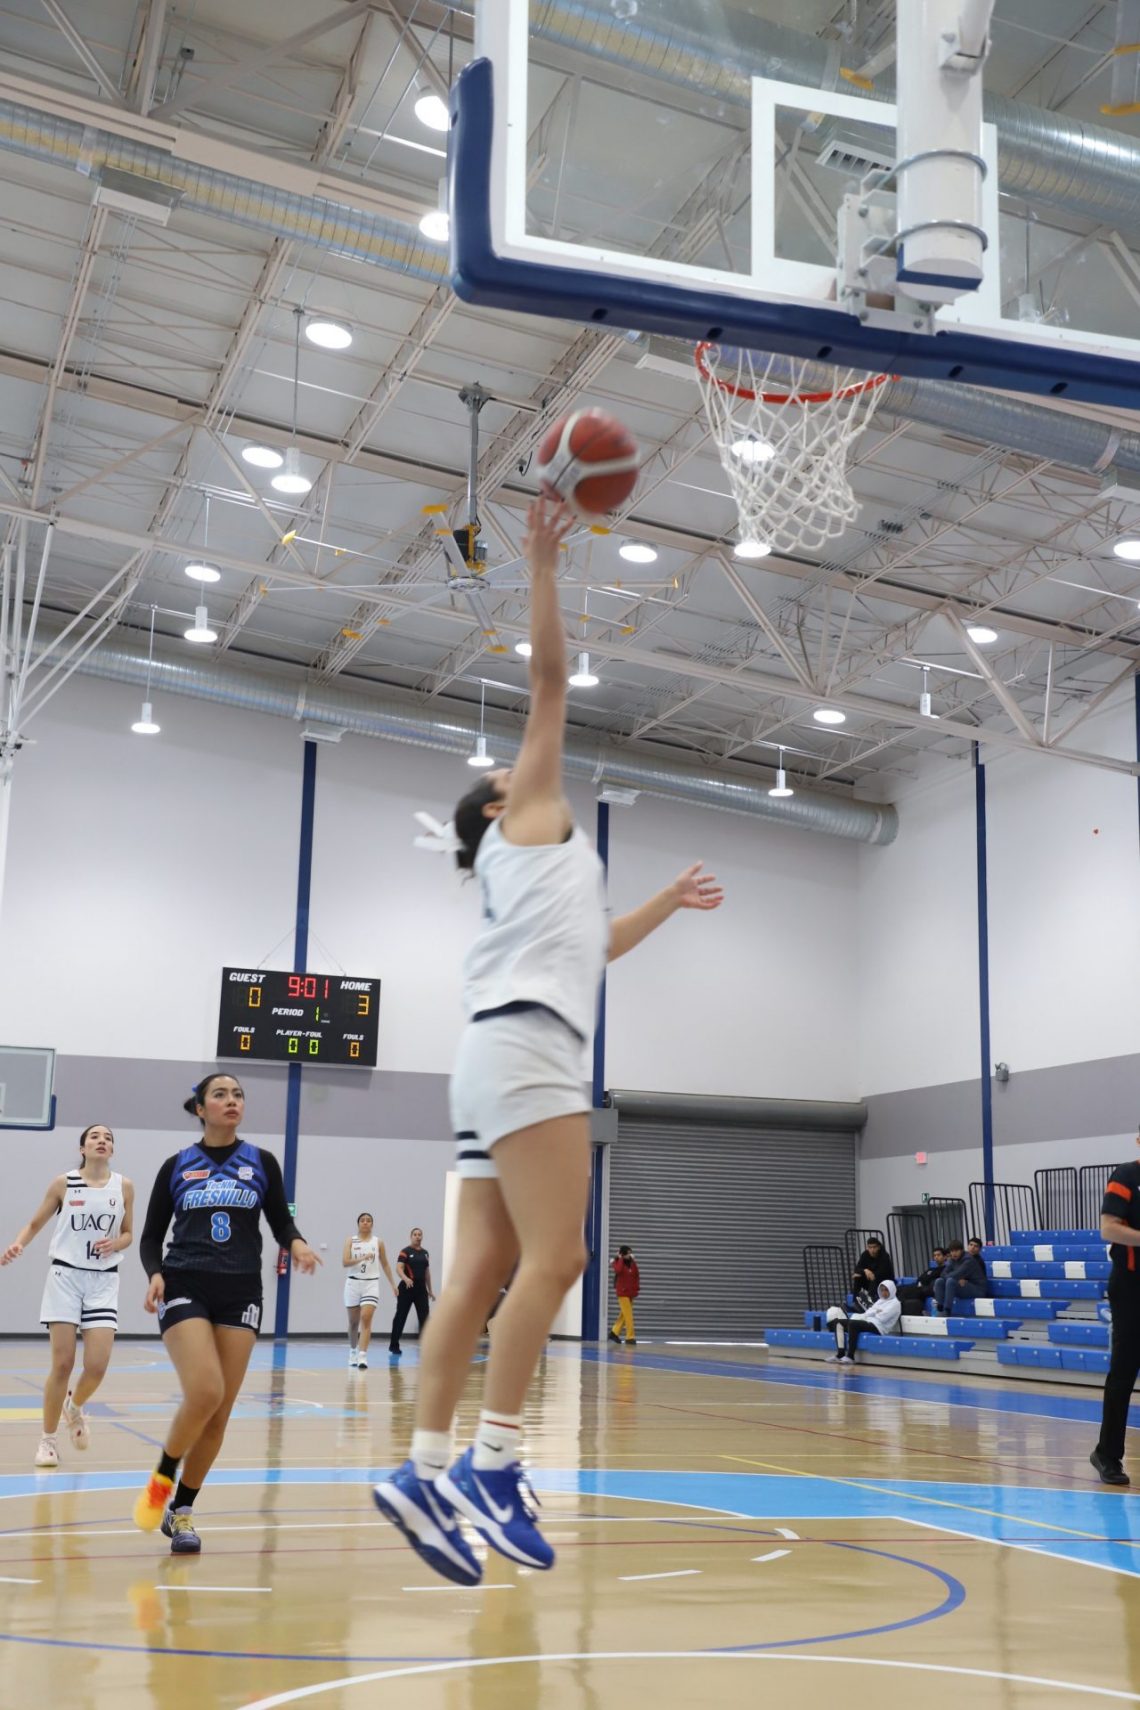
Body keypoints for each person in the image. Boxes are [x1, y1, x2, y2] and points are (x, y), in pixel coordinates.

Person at [373, 496, 724, 1585]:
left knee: (481, 1269)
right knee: (561, 1258)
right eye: (506, 776)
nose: (521, 771)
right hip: (531, 1052)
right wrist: (539, 566)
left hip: (491, 1054)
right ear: (500, 805)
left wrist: (667, 900)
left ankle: (421, 1469)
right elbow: (553, 684)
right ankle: (493, 1463)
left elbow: (595, 948)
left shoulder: (537, 872)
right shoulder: (526, 821)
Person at [133, 1072, 321, 1554]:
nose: (231, 1100)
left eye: (238, 1094)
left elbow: (281, 1221)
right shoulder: (177, 1165)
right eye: (220, 1094)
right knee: (205, 1390)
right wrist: (154, 1273)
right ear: (201, 1108)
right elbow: (151, 1236)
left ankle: (182, 1511)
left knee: (218, 1416)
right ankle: (161, 1478)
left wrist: (297, 1243)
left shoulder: (262, 1162)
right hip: (184, 1283)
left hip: (241, 1292)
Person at [1, 1124, 133, 1469]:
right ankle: (47, 1441)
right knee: (62, 1363)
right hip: (65, 1277)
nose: (102, 1140)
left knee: (97, 1366)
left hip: (103, 1281)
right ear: (82, 1148)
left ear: (112, 1150)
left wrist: (116, 1243)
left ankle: (73, 1407)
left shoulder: (124, 1186)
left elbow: (128, 1233)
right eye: (95, 1137)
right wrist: (18, 1245)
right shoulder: (64, 1183)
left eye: (108, 1138)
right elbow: (34, 1224)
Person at [1091, 1141, 1140, 1486]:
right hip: (1131, 1285)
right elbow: (1108, 1228)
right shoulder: (1126, 1175)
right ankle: (1107, 1454)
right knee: (1124, 1371)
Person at [344, 1212, 396, 1369]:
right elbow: (345, 1262)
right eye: (362, 1220)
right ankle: (353, 1351)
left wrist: (393, 1284)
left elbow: (385, 1264)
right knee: (353, 1322)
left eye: (368, 1220)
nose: (365, 1222)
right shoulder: (350, 1240)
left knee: (366, 1318)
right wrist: (362, 1258)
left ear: (372, 1224)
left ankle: (362, 1356)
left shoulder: (378, 1242)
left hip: (371, 1284)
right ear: (358, 1224)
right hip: (353, 1283)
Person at [388, 1227, 434, 1358]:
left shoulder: (425, 1253)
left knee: (425, 1318)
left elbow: (427, 1272)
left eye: (420, 1234)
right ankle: (394, 1345)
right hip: (407, 1289)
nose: (417, 1236)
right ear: (411, 1237)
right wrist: (406, 1279)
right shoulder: (405, 1251)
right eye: (415, 1234)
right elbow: (398, 1268)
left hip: (421, 1290)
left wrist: (430, 1290)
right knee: (400, 1316)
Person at [828, 1280, 900, 1363]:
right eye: (882, 1290)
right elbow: (868, 1312)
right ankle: (840, 1354)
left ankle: (850, 1356)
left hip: (878, 1327)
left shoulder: (895, 1304)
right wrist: (876, 1312)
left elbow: (883, 1318)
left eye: (886, 1290)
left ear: (891, 1290)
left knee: (853, 1323)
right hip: (868, 1321)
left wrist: (873, 1312)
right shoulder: (880, 1301)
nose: (884, 1292)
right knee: (838, 1322)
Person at [934, 1236, 988, 1316]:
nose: (954, 1253)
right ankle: (940, 1308)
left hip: (977, 1289)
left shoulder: (968, 1260)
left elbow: (957, 1274)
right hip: (965, 1285)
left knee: (951, 1281)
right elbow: (942, 1274)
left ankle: (947, 1310)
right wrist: (957, 1277)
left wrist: (957, 1277)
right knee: (939, 1281)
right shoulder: (952, 1259)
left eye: (956, 1251)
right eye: (952, 1251)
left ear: (962, 1250)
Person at [897, 1248, 947, 1316]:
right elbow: (920, 1278)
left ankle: (897, 1307)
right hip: (918, 1286)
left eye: (938, 1255)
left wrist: (922, 1283)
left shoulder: (945, 1269)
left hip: (925, 1289)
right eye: (934, 1255)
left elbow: (931, 1281)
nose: (936, 1257)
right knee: (898, 1288)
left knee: (906, 1291)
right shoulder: (931, 1269)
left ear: (944, 1257)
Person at [609, 1246, 640, 1345]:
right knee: (628, 1316)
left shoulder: (632, 1262)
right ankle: (630, 1337)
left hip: (630, 1292)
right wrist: (620, 1259)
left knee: (624, 1315)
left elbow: (636, 1275)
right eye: (628, 1253)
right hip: (622, 1293)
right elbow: (618, 1270)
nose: (630, 1255)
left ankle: (614, 1333)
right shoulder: (617, 1262)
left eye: (631, 1253)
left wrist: (636, 1289)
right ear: (623, 1254)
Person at [850, 1235, 893, 1306]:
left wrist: (871, 1274)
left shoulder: (884, 1256)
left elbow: (882, 1273)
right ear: (867, 1248)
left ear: (878, 1247)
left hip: (883, 1282)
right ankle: (855, 1302)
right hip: (870, 1281)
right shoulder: (865, 1254)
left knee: (874, 1279)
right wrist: (865, 1271)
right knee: (857, 1277)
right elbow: (857, 1268)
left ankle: (869, 1302)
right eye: (870, 1247)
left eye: (874, 1247)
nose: (872, 1250)